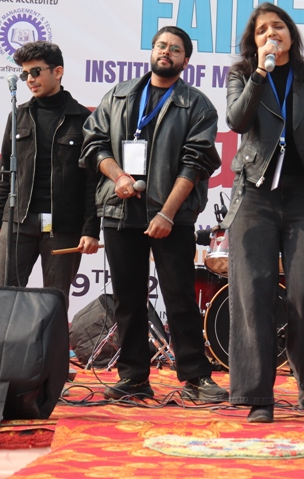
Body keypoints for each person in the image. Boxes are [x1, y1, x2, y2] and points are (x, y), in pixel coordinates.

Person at [80, 26, 228, 402]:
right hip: (120, 209)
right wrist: (118, 176)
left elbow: (196, 163)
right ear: (151, 51)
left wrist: (166, 213)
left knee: (179, 297)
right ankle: (133, 377)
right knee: (127, 299)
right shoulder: (118, 95)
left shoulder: (196, 105)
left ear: (185, 60)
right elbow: (94, 143)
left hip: (171, 217)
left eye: (175, 49)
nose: (166, 52)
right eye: (161, 45)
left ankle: (196, 378)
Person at [224, 2, 304, 423]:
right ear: (253, 41)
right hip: (254, 196)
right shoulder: (242, 74)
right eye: (262, 30)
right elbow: (237, 121)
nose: (270, 34)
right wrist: (260, 71)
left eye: (277, 27)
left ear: (291, 33)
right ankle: (257, 396)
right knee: (252, 294)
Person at [0, 41, 99, 309]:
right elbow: (5, 172)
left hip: (62, 226)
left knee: (54, 301)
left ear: (57, 72)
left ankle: (50, 341)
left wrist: (90, 229)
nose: (30, 79)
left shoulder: (83, 119)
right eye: (25, 74)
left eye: (36, 71)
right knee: (2, 298)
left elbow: (92, 182)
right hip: (18, 221)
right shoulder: (18, 116)